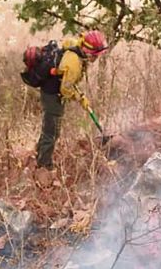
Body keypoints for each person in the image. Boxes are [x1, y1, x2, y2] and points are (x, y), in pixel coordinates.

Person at [35, 30, 110, 169]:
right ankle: (44, 165)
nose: (96, 58)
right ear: (88, 52)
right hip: (52, 94)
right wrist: (79, 98)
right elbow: (66, 89)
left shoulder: (77, 48)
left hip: (53, 88)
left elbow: (68, 82)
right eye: (95, 55)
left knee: (49, 128)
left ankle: (39, 154)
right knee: (52, 132)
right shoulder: (74, 63)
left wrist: (82, 99)